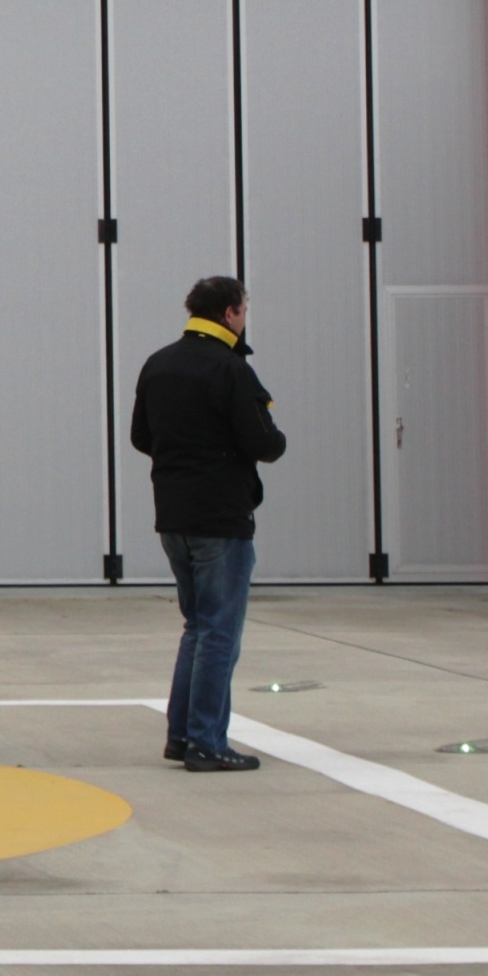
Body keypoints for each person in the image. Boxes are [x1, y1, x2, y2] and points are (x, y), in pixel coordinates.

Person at [129, 275, 287, 773]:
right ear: (229, 314)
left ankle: (182, 735)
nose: (245, 319)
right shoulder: (230, 369)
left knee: (196, 627)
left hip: (172, 515)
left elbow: (140, 436)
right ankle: (205, 740)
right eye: (243, 310)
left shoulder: (159, 363)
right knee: (220, 631)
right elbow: (265, 442)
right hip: (220, 515)